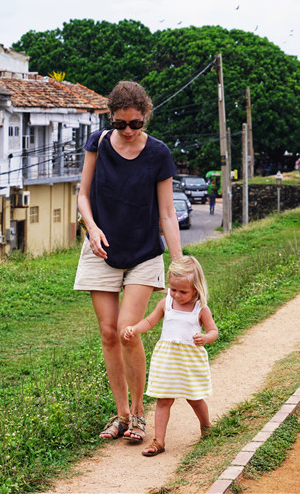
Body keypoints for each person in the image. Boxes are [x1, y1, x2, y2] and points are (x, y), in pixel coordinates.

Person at [74, 80, 183, 444]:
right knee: (107, 334)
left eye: (136, 124)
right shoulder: (99, 143)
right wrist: (91, 228)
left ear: (146, 117)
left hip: (143, 252)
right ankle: (120, 415)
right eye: (121, 124)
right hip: (101, 248)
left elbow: (167, 212)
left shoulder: (158, 154)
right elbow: (83, 194)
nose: (128, 131)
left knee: (127, 329)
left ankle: (139, 414)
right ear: (112, 119)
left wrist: (179, 264)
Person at [123, 256, 218, 457]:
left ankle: (206, 426)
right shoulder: (166, 303)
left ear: (196, 288)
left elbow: (213, 331)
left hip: (189, 362)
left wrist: (205, 338)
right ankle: (159, 441)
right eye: (173, 289)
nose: (176, 295)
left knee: (195, 398)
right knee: (163, 400)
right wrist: (134, 329)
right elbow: (149, 321)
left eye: (183, 291)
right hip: (167, 361)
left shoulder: (200, 308)